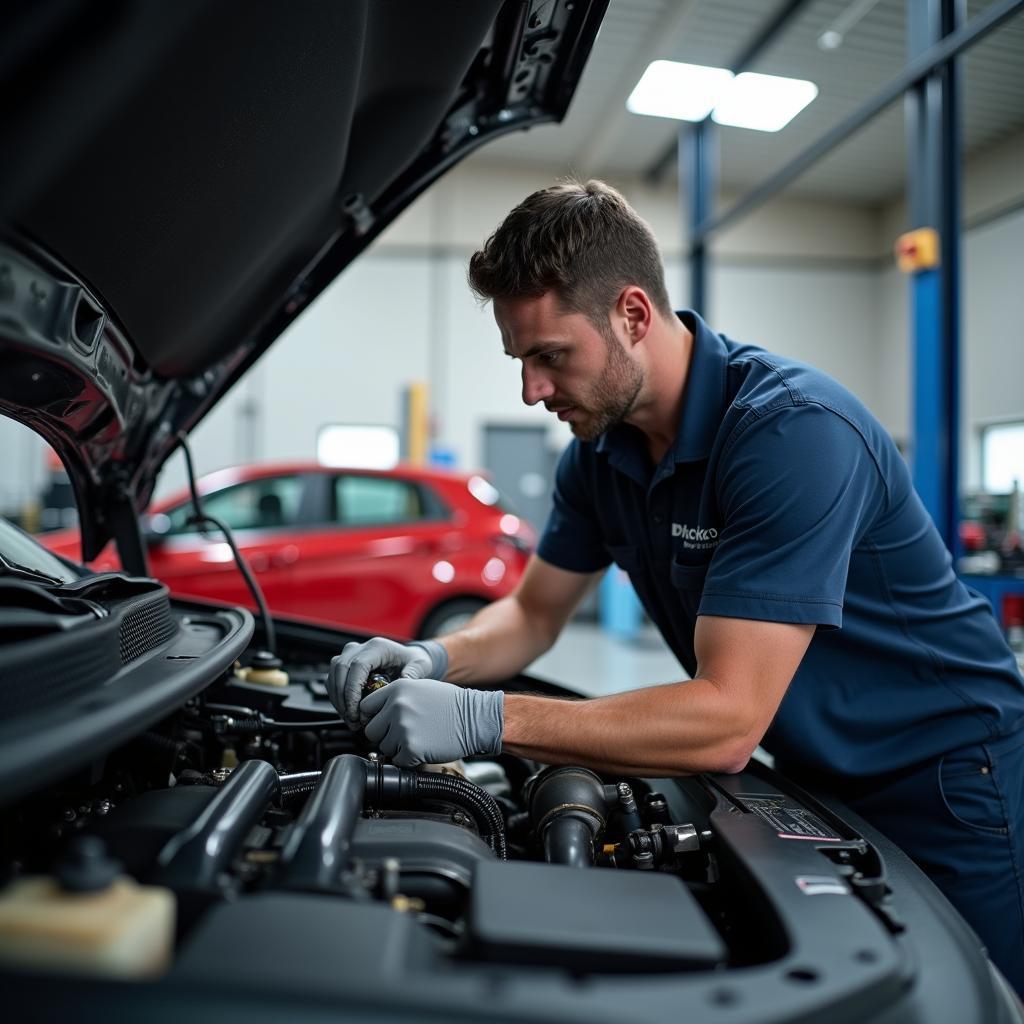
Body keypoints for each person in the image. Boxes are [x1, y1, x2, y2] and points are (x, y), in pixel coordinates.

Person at [328, 179, 1024, 990]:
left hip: (947, 774)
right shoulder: (598, 457)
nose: (532, 391)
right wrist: (433, 660)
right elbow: (533, 614)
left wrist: (487, 720)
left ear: (631, 314)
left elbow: (727, 717)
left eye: (551, 356)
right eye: (521, 361)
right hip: (816, 768)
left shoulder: (791, 432)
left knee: (975, 994)